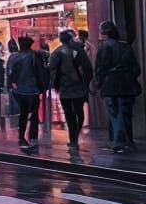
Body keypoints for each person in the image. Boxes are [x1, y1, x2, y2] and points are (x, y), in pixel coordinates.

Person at [93, 21, 140, 153]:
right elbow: (136, 68)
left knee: (114, 113)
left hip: (110, 84)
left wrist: (97, 83)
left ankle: (118, 142)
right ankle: (127, 142)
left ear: (103, 32)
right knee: (125, 113)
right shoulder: (126, 46)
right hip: (127, 83)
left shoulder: (104, 46)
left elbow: (100, 67)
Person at [49, 30, 93, 150]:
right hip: (78, 87)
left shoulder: (56, 52)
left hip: (64, 89)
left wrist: (55, 86)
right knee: (79, 114)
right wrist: (87, 82)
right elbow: (88, 68)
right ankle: (74, 138)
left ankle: (73, 139)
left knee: (69, 115)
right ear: (70, 39)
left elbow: (53, 71)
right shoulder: (78, 50)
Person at [7, 35, 47, 152]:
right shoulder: (34, 56)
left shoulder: (13, 56)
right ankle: (33, 137)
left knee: (23, 114)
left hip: (18, 91)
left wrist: (11, 86)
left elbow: (9, 73)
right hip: (32, 91)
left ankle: (21, 137)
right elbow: (40, 73)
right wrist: (42, 88)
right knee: (34, 114)